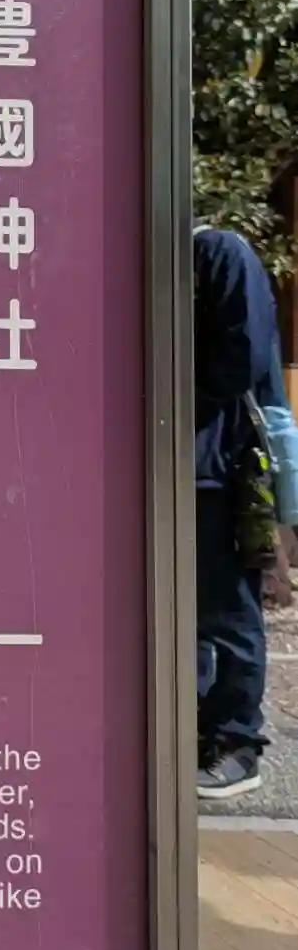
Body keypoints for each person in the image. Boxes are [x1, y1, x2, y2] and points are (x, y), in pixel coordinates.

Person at [193, 223, 282, 800]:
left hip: (219, 462)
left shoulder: (216, 251)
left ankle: (237, 742)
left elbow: (243, 353)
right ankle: (201, 729)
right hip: (181, 458)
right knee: (191, 609)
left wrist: (175, 405)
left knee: (227, 606)